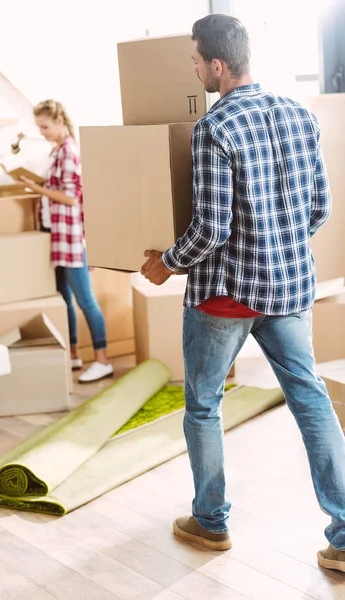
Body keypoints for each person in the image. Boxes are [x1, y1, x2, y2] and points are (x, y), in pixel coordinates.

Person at [141, 14, 345, 573]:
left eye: (194, 62)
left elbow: (211, 230)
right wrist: (279, 246)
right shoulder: (300, 114)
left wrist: (165, 264)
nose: (193, 71)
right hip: (291, 288)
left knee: (204, 404)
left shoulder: (216, 127)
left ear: (217, 64)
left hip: (226, 296)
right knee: (310, 398)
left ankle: (210, 523)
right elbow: (321, 207)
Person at [17, 99, 113, 383]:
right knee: (64, 300)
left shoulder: (69, 151)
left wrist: (36, 188)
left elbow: (71, 197)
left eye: (45, 126)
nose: (42, 131)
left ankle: (102, 359)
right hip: (57, 236)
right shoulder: (56, 152)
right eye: (39, 127)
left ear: (59, 122)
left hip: (71, 238)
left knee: (85, 300)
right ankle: (73, 354)